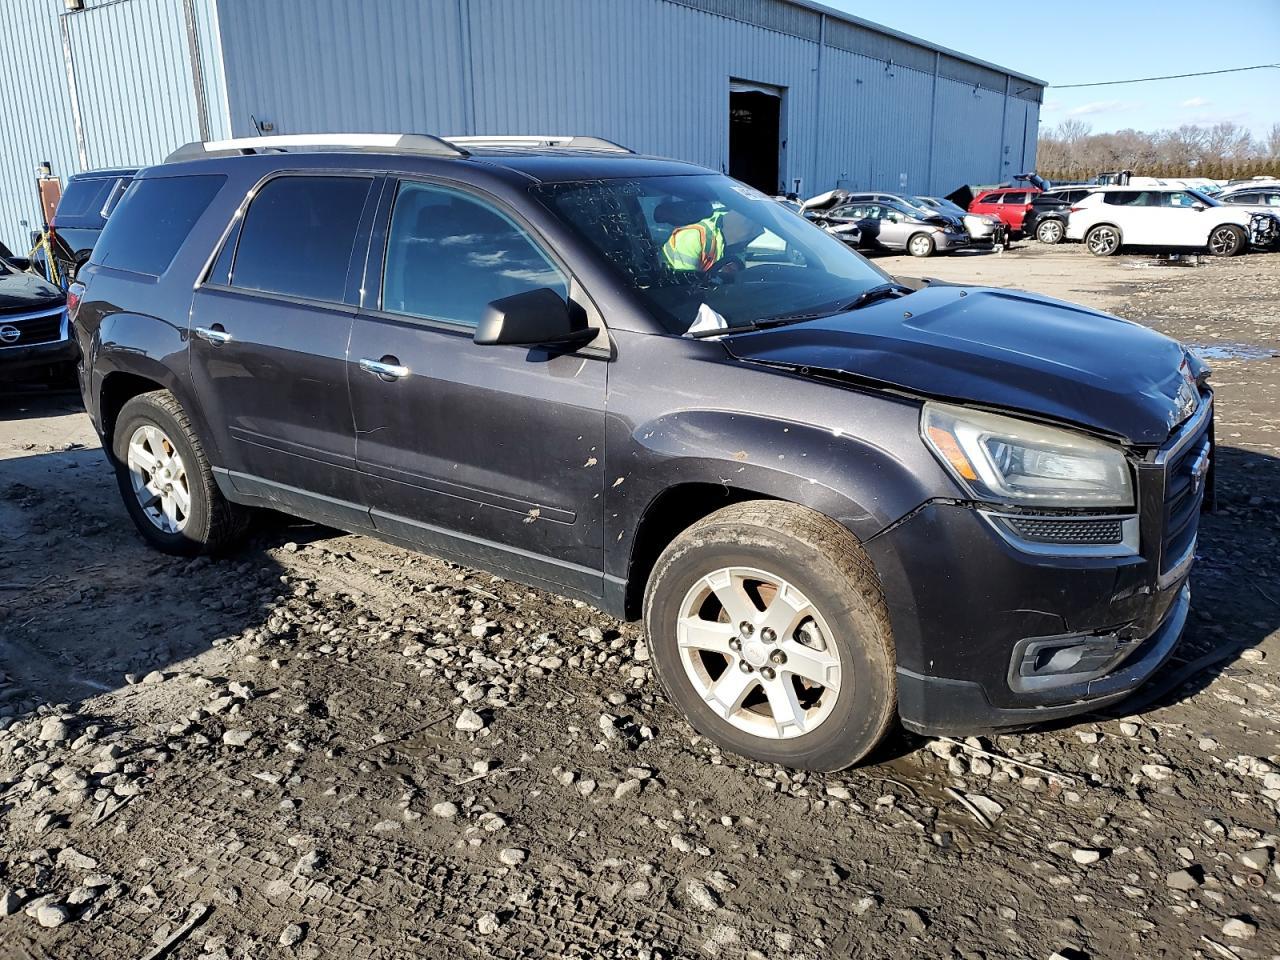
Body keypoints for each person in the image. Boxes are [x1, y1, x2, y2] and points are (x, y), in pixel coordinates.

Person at [662, 207, 761, 274]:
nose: (744, 246)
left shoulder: (730, 243)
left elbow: (735, 276)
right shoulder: (693, 237)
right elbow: (684, 284)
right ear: (736, 234)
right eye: (744, 242)